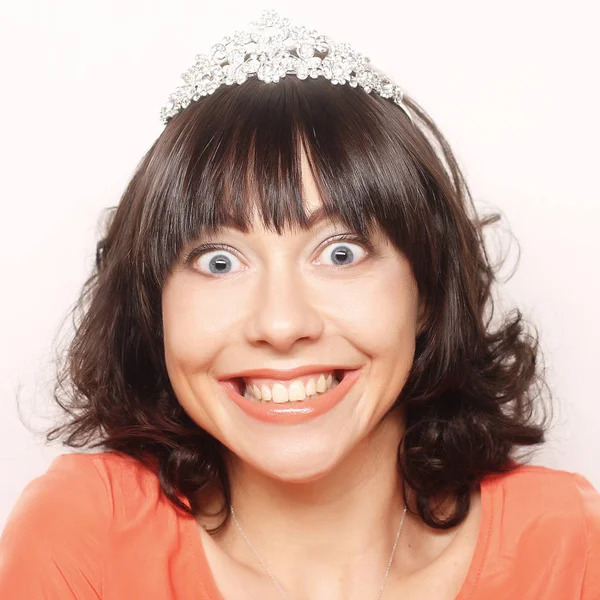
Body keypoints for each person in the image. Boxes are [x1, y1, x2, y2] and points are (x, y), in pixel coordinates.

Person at [1, 9, 598, 600]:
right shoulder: (87, 537)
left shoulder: (563, 543)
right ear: (154, 307)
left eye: (340, 254)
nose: (281, 324)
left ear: (428, 290)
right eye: (219, 261)